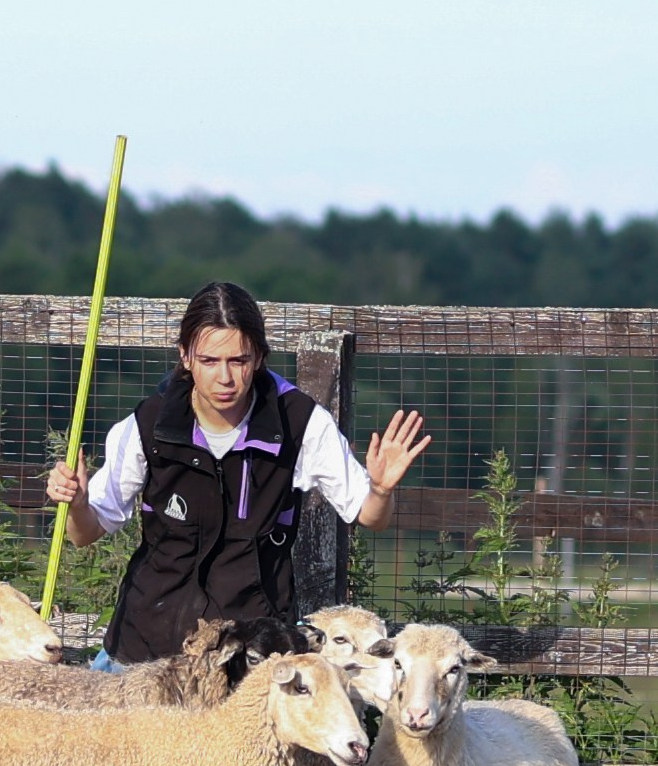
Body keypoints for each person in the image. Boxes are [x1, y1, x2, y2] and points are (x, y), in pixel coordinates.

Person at [46, 281, 430, 668]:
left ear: (259, 357)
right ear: (185, 357)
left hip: (250, 655)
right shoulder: (147, 425)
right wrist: (77, 504)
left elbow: (369, 516)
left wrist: (381, 489)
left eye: (239, 360)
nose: (225, 377)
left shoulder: (301, 423)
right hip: (147, 650)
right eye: (209, 361)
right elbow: (84, 533)